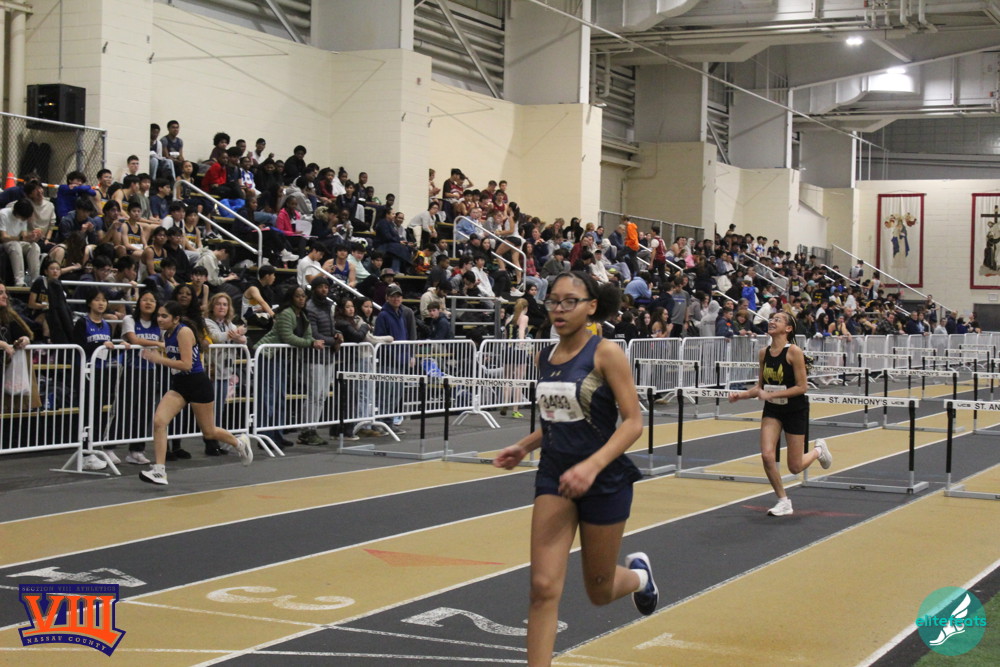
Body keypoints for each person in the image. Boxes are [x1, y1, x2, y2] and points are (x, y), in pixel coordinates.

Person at [492, 271, 658, 667]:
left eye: (570, 301)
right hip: (555, 476)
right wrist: (523, 446)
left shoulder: (606, 353)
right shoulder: (544, 357)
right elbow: (559, 417)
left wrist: (591, 466)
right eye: (553, 301)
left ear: (591, 306)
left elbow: (633, 422)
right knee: (542, 587)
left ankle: (639, 577)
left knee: (599, 590)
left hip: (604, 479)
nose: (560, 309)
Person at [728, 311, 833, 516]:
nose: (772, 321)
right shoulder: (763, 353)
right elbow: (760, 387)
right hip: (773, 410)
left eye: (778, 320)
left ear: (788, 328)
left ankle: (818, 451)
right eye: (771, 319)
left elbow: (802, 387)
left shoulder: (794, 352)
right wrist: (741, 395)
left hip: (795, 410)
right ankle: (783, 501)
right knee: (767, 455)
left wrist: (771, 394)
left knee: (795, 467)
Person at [138, 301, 252, 485]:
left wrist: (159, 359)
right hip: (180, 385)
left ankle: (240, 443)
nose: (159, 319)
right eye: (158, 315)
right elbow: (173, 353)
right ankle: (159, 471)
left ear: (176, 319)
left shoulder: (184, 332)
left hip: (197, 384)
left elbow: (186, 364)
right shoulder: (166, 333)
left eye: (164, 316)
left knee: (209, 432)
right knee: (159, 421)